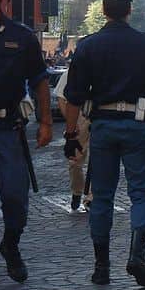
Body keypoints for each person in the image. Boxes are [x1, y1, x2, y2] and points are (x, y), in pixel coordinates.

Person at [64, 0, 145, 287]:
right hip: (136, 123)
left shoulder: (88, 46)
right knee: (141, 193)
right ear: (129, 11)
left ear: (103, 10)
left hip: (102, 125)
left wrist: (71, 133)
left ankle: (101, 266)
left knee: (101, 196)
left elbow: (73, 95)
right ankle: (137, 255)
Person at [0, 0, 52, 283]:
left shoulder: (21, 37)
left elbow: (40, 81)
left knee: (16, 196)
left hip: (8, 128)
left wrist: (46, 122)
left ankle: (11, 245)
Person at [55, 68, 92, 212]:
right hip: (80, 114)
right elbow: (61, 98)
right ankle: (77, 190)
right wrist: (72, 121)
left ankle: (91, 198)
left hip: (101, 114)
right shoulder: (71, 72)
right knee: (74, 160)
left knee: (99, 158)